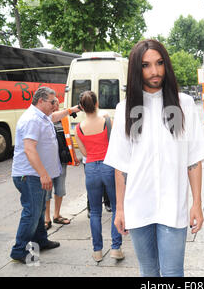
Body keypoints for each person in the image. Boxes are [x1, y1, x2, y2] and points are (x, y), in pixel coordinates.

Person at [104, 39, 204, 277]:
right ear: (136, 69)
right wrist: (120, 209)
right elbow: (121, 166)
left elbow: (193, 160)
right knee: (148, 272)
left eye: (159, 63)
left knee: (173, 273)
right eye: (146, 65)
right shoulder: (125, 109)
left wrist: (197, 203)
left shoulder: (185, 104)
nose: (155, 71)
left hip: (173, 207)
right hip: (138, 207)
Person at [10, 87, 80, 264]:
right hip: (30, 175)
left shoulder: (42, 116)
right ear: (40, 101)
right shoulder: (32, 119)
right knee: (32, 213)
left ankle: (41, 240)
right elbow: (29, 149)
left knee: (39, 210)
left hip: (36, 174)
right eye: (52, 102)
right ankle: (19, 250)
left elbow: (55, 116)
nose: (55, 104)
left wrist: (72, 110)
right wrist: (43, 174)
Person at [75, 91, 124, 262]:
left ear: (81, 107)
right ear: (96, 103)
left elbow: (84, 152)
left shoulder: (78, 128)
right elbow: (116, 142)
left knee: (95, 211)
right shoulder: (106, 121)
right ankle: (116, 248)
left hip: (91, 169)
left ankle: (97, 251)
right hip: (109, 166)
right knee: (117, 207)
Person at [45, 98, 79, 230]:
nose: (57, 107)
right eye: (54, 104)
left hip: (62, 160)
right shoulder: (46, 119)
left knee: (60, 188)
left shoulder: (64, 119)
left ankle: (56, 215)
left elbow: (68, 138)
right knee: (47, 190)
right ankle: (46, 218)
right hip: (48, 162)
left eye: (58, 104)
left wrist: (74, 156)